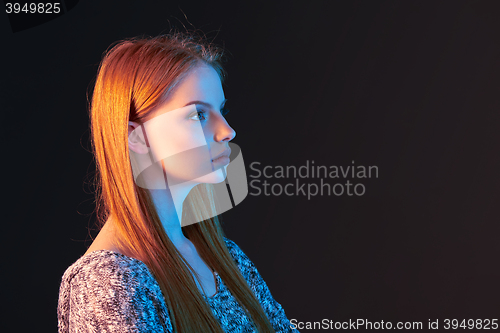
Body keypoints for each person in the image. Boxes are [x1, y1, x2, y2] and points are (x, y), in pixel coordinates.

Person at [57, 31, 297, 333]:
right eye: (198, 114)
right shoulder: (108, 283)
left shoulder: (225, 258)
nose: (227, 131)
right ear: (138, 137)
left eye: (220, 110)